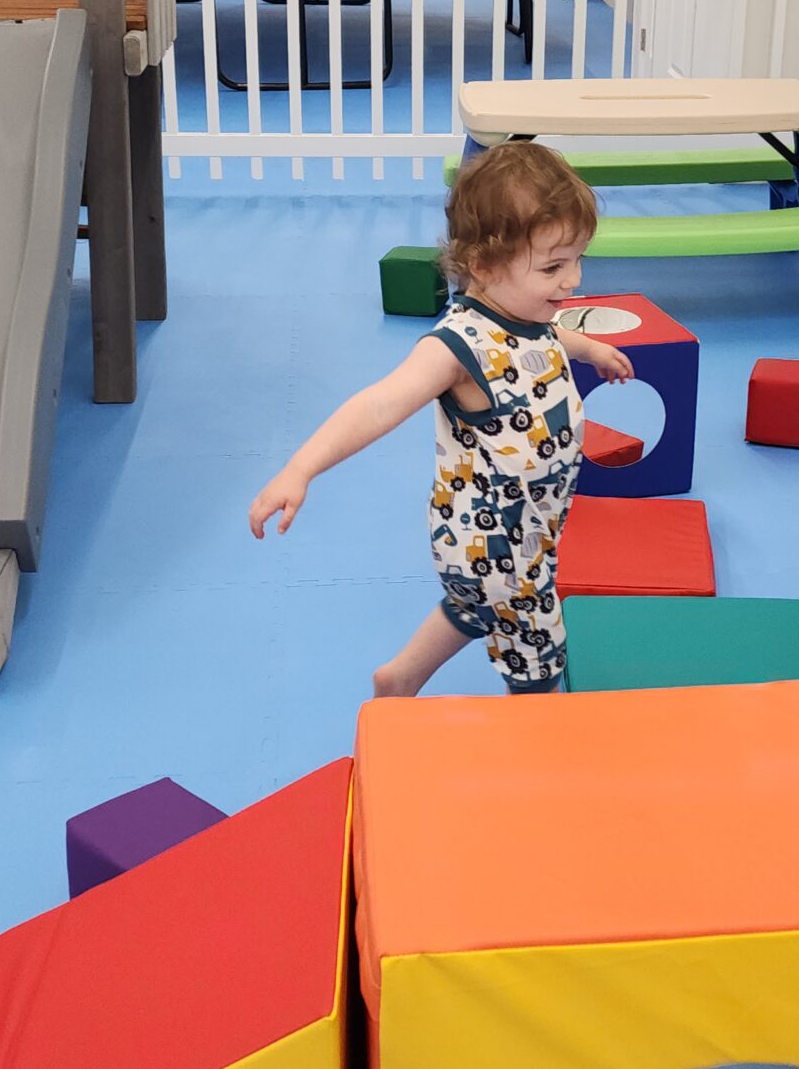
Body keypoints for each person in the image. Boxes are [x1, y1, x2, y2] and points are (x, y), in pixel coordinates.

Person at [249, 143, 633, 698]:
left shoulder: (526, 310)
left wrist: (588, 348)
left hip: (523, 530)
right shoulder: (455, 348)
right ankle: (542, 739)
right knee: (538, 652)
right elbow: (378, 403)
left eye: (578, 258)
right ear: (483, 266)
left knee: (472, 605)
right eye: (553, 266)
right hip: (495, 541)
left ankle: (400, 677)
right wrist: (299, 468)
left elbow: (541, 342)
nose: (572, 279)